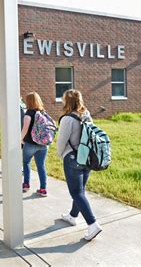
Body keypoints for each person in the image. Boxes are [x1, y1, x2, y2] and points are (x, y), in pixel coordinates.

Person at [57, 89, 102, 241]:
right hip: (87, 157)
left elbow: (61, 141)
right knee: (80, 190)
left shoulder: (67, 119)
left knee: (76, 192)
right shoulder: (86, 114)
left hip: (72, 158)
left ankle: (93, 224)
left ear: (66, 101)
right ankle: (72, 216)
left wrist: (60, 154)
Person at [21, 92, 49, 197]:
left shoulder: (28, 113)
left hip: (30, 143)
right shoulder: (43, 112)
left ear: (28, 101)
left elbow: (25, 129)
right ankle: (43, 189)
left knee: (26, 163)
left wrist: (21, 139)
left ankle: (26, 184)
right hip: (43, 144)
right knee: (41, 166)